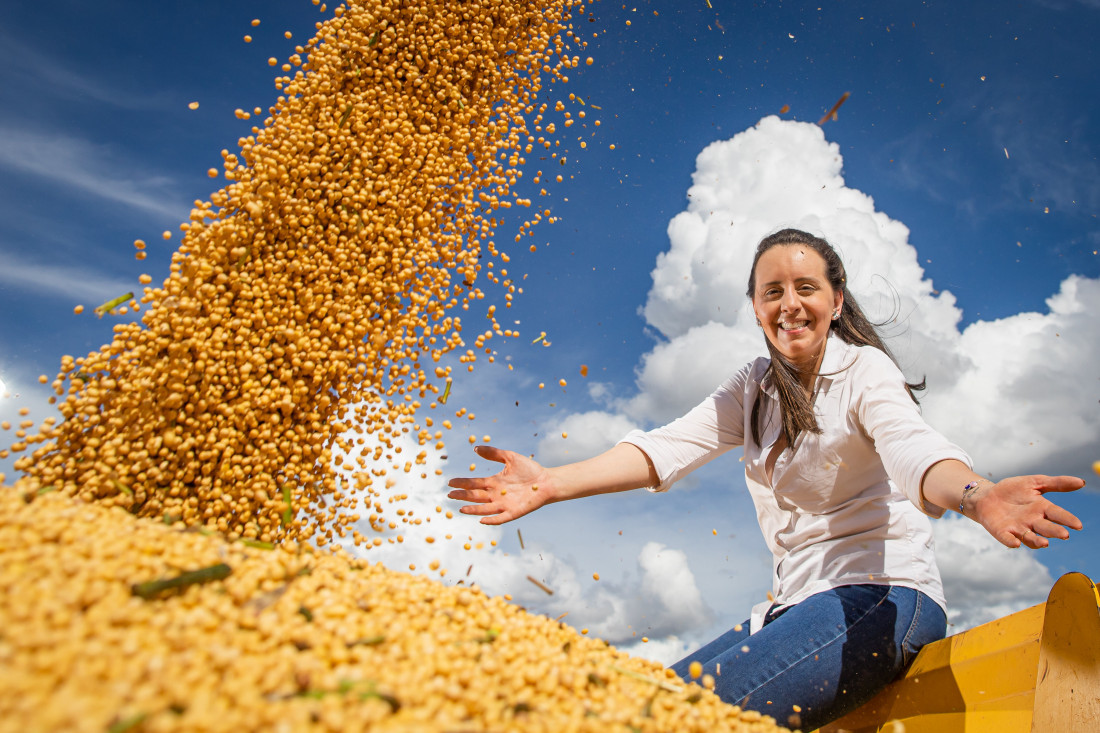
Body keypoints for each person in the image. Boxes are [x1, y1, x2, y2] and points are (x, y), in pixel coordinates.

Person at [446, 228, 1086, 730]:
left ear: (835, 301)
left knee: (668, 719)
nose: (789, 304)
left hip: (883, 597)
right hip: (789, 612)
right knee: (633, 697)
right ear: (756, 308)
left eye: (805, 287)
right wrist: (550, 483)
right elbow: (666, 447)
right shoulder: (752, 388)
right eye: (771, 291)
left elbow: (914, 447)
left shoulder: (865, 373)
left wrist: (977, 496)